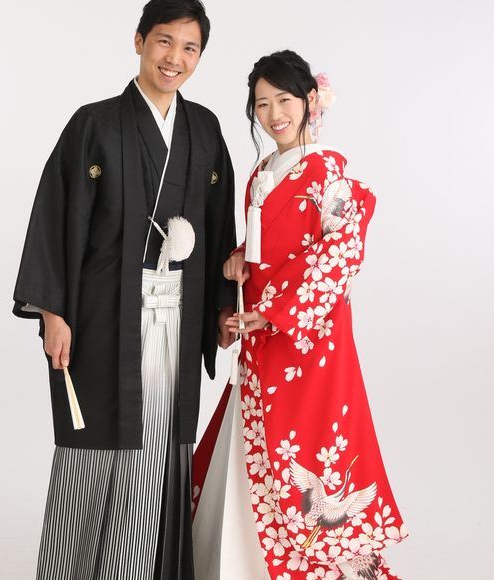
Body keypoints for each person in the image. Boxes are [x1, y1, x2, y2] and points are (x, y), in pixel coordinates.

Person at [12, 1, 237, 578]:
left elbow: (218, 228)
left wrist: (222, 306)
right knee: (94, 440)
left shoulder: (204, 129)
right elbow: (56, 214)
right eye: (164, 41)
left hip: (178, 316)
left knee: (161, 440)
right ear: (139, 41)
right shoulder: (94, 123)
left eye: (189, 48)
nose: (175, 58)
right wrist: (53, 311)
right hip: (102, 316)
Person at [192, 50, 407, 580]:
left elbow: (340, 253)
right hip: (262, 337)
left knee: (309, 448)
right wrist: (241, 258)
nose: (273, 114)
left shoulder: (326, 171)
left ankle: (305, 561)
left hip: (309, 340)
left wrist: (276, 313)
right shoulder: (262, 172)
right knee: (257, 438)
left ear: (311, 100)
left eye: (283, 100)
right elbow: (274, 246)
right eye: (262, 104)